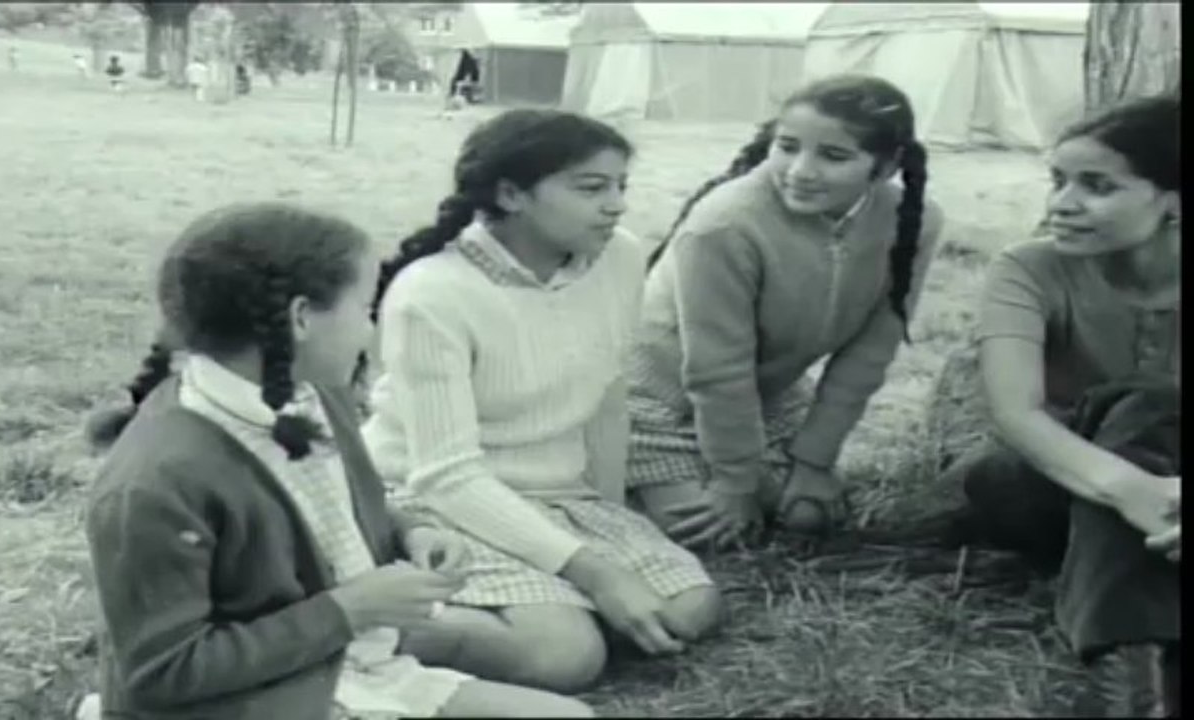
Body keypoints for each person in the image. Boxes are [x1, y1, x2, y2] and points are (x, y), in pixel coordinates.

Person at [82, 203, 593, 718]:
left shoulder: (316, 396)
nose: (371, 331)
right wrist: (349, 610)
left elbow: (324, 512)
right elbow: (164, 674)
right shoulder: (156, 482)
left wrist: (409, 530)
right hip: (237, 699)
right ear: (302, 318)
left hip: (339, 662)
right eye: (365, 310)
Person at [361, 110, 723, 692]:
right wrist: (595, 572)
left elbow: (608, 398)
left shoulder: (620, 256)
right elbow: (448, 476)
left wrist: (609, 520)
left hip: (559, 494)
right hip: (438, 497)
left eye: (620, 186)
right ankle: (371, 628)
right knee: (564, 657)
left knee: (688, 609)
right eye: (591, 188)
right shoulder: (433, 292)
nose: (617, 205)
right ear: (511, 194)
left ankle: (535, 605)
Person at [626, 74, 944, 547]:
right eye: (788, 146)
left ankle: (734, 475)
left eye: (833, 156)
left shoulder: (913, 220)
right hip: (656, 399)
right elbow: (717, 367)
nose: (800, 170)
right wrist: (735, 482)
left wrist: (815, 461)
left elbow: (868, 356)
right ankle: (615, 483)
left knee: (807, 519)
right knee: (721, 534)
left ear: (885, 166)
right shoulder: (724, 225)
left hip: (767, 397)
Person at [945, 95, 1180, 717]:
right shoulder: (1029, 268)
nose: (1061, 205)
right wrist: (1131, 489)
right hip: (1041, 484)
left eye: (1096, 186)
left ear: (1172, 200)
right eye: (1058, 181)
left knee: (1153, 412)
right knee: (1143, 403)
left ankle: (1131, 686)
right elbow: (1016, 413)